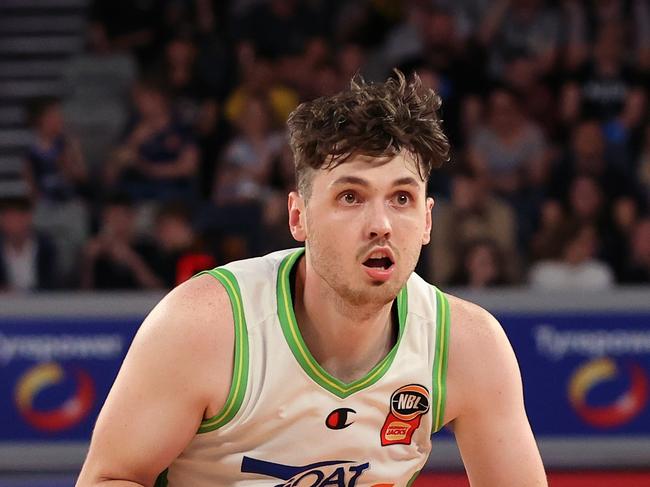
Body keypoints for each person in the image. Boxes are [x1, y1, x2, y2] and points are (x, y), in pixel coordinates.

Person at [77, 72, 547, 486]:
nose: (381, 223)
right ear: (298, 217)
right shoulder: (206, 323)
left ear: (427, 221)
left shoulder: (467, 343)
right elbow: (108, 478)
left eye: (401, 198)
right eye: (350, 197)